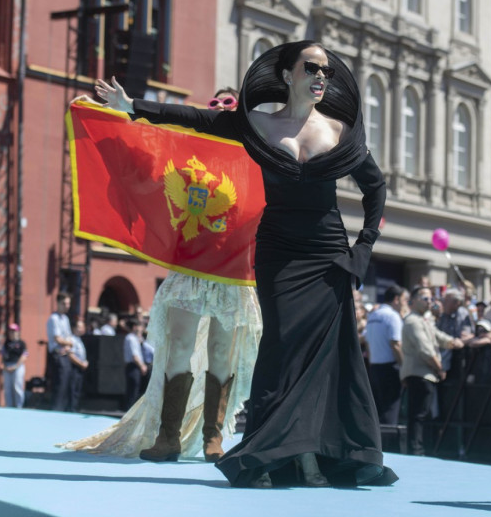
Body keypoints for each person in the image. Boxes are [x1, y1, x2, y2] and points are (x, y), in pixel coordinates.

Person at [89, 40, 397, 488]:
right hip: (278, 253)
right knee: (279, 351)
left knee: (325, 359)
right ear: (287, 74)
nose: (320, 77)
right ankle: (273, 452)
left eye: (326, 72)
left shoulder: (337, 129)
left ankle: (312, 456)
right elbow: (196, 118)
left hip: (328, 254)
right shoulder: (256, 123)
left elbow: (376, 189)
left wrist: (363, 248)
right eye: (311, 68)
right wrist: (133, 106)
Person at [60, 88, 262, 466]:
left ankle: (212, 438)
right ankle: (168, 436)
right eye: (214, 101)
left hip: (234, 269)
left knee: (221, 352)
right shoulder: (184, 152)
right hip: (189, 265)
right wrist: (118, 117)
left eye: (227, 103)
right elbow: (146, 157)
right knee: (179, 345)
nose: (218, 106)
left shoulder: (256, 155)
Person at [401, 286, 464, 456]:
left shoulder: (423, 320)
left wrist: (454, 342)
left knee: (421, 414)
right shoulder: (413, 321)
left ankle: (417, 448)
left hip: (424, 373)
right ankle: (416, 449)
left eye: (430, 299)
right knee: (418, 415)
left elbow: (438, 336)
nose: (430, 302)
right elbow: (426, 350)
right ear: (413, 301)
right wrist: (440, 367)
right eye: (425, 298)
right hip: (419, 373)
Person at [364, 285, 405, 425]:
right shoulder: (393, 316)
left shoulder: (373, 315)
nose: (404, 303)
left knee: (378, 409)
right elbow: (396, 344)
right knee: (390, 410)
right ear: (396, 299)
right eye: (404, 300)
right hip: (390, 368)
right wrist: (404, 367)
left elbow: (368, 343)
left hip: (374, 367)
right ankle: (389, 444)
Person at [47, 293, 75, 411]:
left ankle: (63, 410)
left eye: (68, 303)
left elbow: (69, 338)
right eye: (64, 303)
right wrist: (68, 343)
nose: (67, 306)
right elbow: (57, 338)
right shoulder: (54, 318)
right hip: (57, 355)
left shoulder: (65, 319)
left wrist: (68, 345)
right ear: (58, 303)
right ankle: (56, 410)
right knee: (59, 385)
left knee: (66, 385)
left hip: (65, 354)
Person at [1, 322, 28, 408]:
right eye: (11, 331)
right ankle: (9, 406)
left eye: (14, 331)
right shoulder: (6, 343)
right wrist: (5, 366)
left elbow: (24, 355)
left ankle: (19, 406)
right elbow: (2, 355)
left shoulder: (22, 343)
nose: (12, 333)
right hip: (7, 366)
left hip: (17, 366)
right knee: (8, 388)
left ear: (18, 332)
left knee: (17, 387)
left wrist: (16, 366)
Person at [68, 320, 89, 413]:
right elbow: (71, 355)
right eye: (80, 327)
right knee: (72, 390)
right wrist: (81, 363)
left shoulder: (79, 339)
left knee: (77, 390)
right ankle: (71, 409)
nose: (82, 329)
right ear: (74, 328)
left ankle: (75, 408)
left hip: (80, 368)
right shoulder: (71, 339)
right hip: (74, 368)